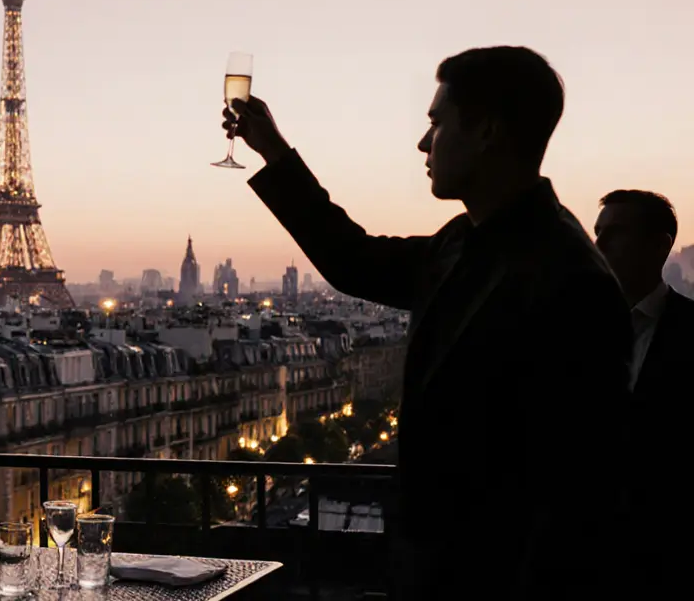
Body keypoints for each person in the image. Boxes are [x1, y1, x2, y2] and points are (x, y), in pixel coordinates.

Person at [224, 46, 630, 600]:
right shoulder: (471, 242)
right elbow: (352, 259)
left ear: (486, 130)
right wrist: (273, 149)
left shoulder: (570, 280)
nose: (423, 142)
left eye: (436, 122)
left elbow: (575, 492)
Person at [593, 189, 691, 594]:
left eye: (615, 234)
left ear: (659, 245)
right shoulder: (566, 330)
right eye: (597, 234)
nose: (598, 245)